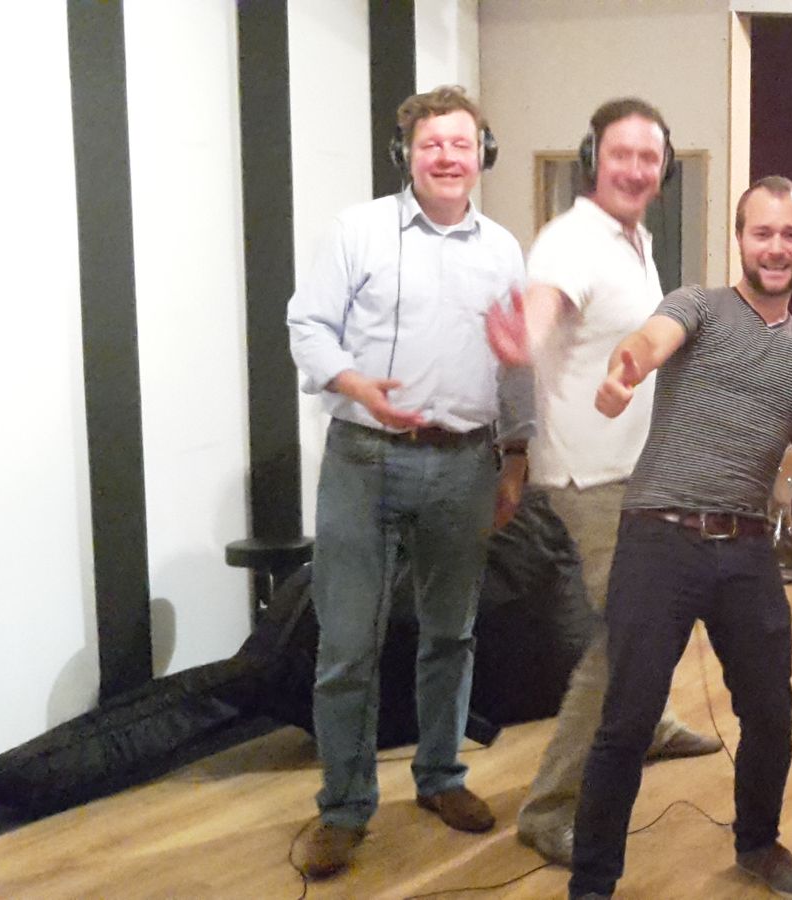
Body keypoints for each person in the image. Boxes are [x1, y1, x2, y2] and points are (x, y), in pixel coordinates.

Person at [567, 176, 792, 900]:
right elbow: (650, 342)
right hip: (659, 535)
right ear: (740, 239)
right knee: (628, 718)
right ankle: (592, 882)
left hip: (745, 547)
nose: (775, 247)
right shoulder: (698, 306)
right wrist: (627, 367)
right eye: (761, 232)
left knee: (771, 714)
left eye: (789, 234)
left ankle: (758, 844)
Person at [285, 85, 528, 878]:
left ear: (482, 155)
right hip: (364, 460)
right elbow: (307, 326)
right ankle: (344, 807)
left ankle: (440, 776)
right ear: (406, 155)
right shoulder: (356, 231)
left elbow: (517, 361)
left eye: (461, 144)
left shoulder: (503, 250)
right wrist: (352, 382)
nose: (447, 157)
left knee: (451, 633)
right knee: (346, 646)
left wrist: (517, 454)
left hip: (465, 464)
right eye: (432, 145)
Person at [483, 97, 719, 867]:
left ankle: (649, 725)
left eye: (650, 157)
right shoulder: (571, 240)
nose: (636, 169)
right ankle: (551, 806)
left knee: (657, 614)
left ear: (665, 168)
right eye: (622, 154)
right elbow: (541, 313)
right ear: (594, 159)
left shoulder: (634, 240)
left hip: (641, 467)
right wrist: (521, 337)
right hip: (593, 478)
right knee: (625, 638)